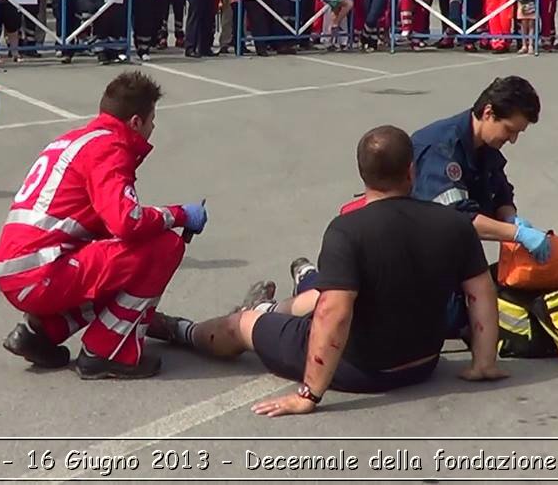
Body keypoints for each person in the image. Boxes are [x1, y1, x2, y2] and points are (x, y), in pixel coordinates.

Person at [150, 125, 506, 416]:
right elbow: (481, 293)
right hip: (423, 362)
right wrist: (484, 362)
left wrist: (310, 393)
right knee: (333, 288)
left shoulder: (348, 229)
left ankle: (184, 330)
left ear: (362, 174)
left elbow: (335, 315)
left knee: (241, 325)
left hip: (362, 370)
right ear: (411, 170)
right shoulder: (455, 224)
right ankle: (300, 282)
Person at [0, 72, 207, 379]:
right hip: (40, 273)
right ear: (135, 122)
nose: (153, 127)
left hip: (22, 269)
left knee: (123, 263)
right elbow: (126, 222)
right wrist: (179, 215)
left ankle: (40, 333)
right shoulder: (110, 148)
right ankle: (106, 351)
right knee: (163, 247)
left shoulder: (76, 139)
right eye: (152, 119)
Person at [409, 76, 550, 262]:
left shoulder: (486, 146)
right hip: (420, 255)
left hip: (454, 249)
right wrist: (516, 233)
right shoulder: (440, 149)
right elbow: (456, 218)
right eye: (509, 130)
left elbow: (500, 191)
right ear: (488, 113)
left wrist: (509, 217)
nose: (512, 139)